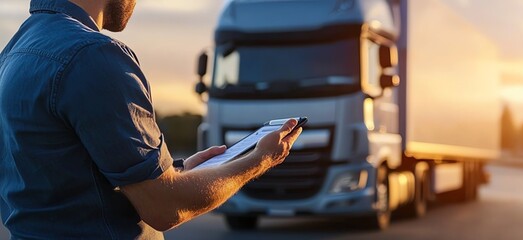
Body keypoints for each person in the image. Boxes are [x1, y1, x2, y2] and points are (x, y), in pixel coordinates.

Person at [0, 0, 302, 238]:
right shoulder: (93, 55)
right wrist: (259, 160)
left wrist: (176, 171)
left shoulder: (11, 55)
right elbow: (165, 207)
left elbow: (65, 177)